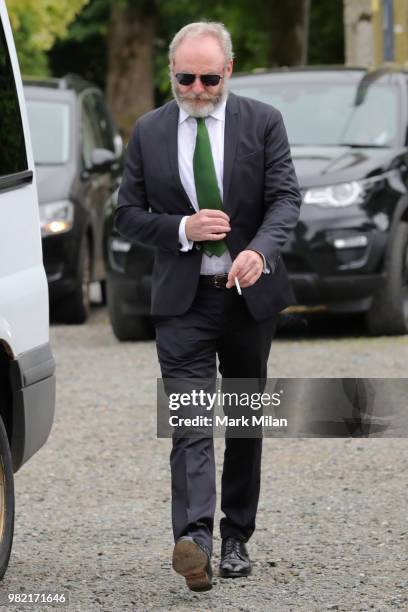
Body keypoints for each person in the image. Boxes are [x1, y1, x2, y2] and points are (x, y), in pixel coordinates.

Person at [115, 21, 302, 592]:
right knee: (190, 420)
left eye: (208, 78)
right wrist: (182, 227)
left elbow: (285, 198)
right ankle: (194, 540)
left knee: (245, 420)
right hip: (183, 299)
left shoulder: (263, 122)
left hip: (248, 297)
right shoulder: (148, 132)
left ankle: (236, 537)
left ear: (229, 71)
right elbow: (127, 214)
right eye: (185, 78)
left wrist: (260, 253)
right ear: (171, 73)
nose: (196, 89)